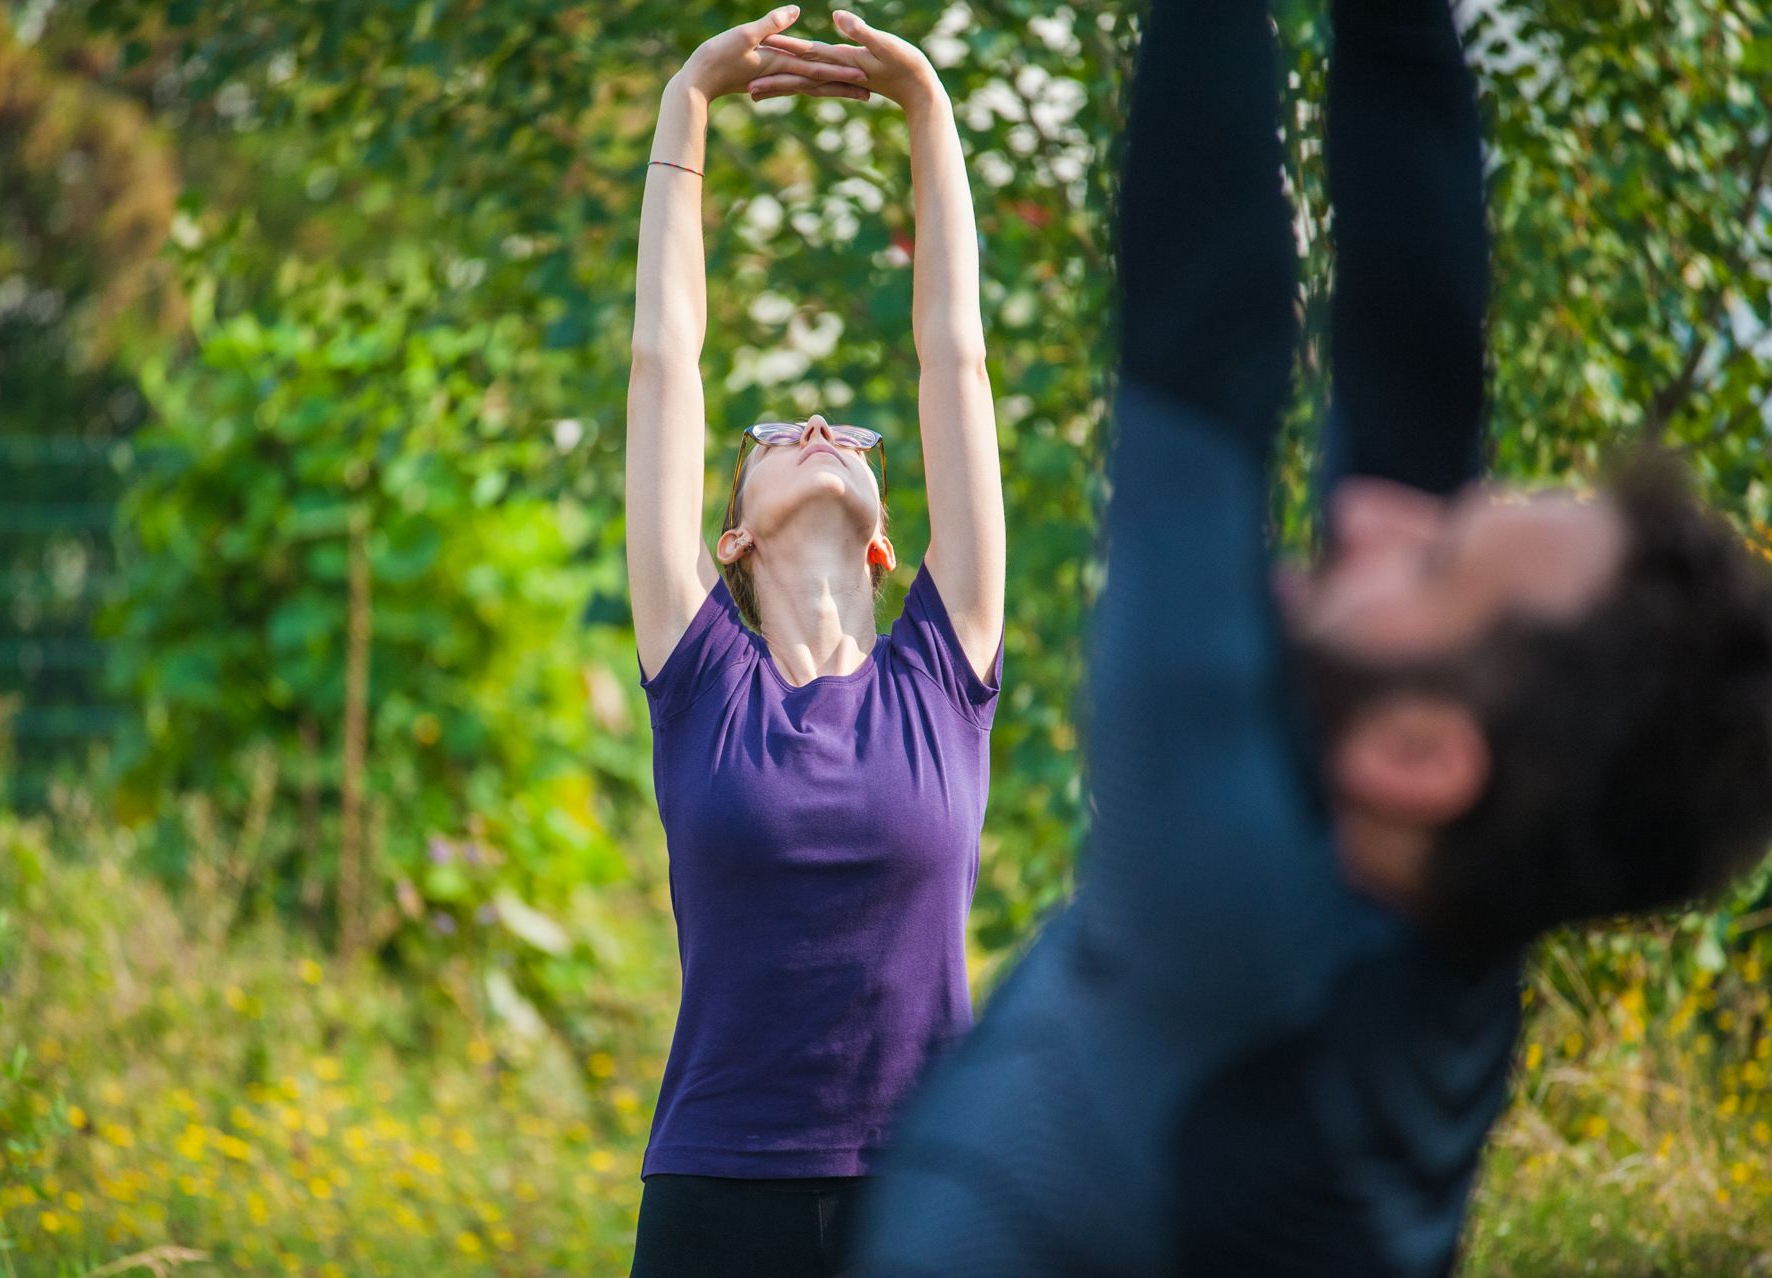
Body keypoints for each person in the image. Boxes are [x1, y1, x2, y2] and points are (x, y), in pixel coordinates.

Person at [845, 0, 1772, 1273]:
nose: (1378, 514)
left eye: (1436, 558)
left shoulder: (1231, 921)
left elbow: (1204, 316)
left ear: (1418, 754)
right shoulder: (1427, 910)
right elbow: (1415, 349)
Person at [623, 8, 1006, 1275]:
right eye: (781, 429)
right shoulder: (700, 677)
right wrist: (688, 106)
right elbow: (663, 362)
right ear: (727, 539)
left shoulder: (943, 672)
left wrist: (930, 119)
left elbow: (953, 358)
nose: (823, 426)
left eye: (844, 429)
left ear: (889, 539)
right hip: (716, 1191)